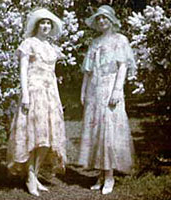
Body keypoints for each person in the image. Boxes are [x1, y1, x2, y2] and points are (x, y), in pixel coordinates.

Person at [7, 8, 66, 197]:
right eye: (43, 23)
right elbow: (23, 70)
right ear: (37, 26)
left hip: (50, 94)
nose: (46, 26)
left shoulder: (51, 47)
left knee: (47, 140)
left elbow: (53, 73)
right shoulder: (28, 44)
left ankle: (35, 174)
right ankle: (30, 177)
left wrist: (56, 96)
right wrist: (25, 94)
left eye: (49, 23)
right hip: (33, 92)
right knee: (34, 136)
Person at [78, 5, 136, 195]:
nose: (102, 22)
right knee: (96, 130)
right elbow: (87, 71)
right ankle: (101, 174)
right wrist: (84, 91)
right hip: (95, 88)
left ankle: (110, 175)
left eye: (105, 18)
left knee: (109, 130)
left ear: (112, 20)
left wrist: (117, 90)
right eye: (99, 19)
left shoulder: (120, 40)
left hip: (111, 87)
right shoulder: (94, 42)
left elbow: (122, 67)